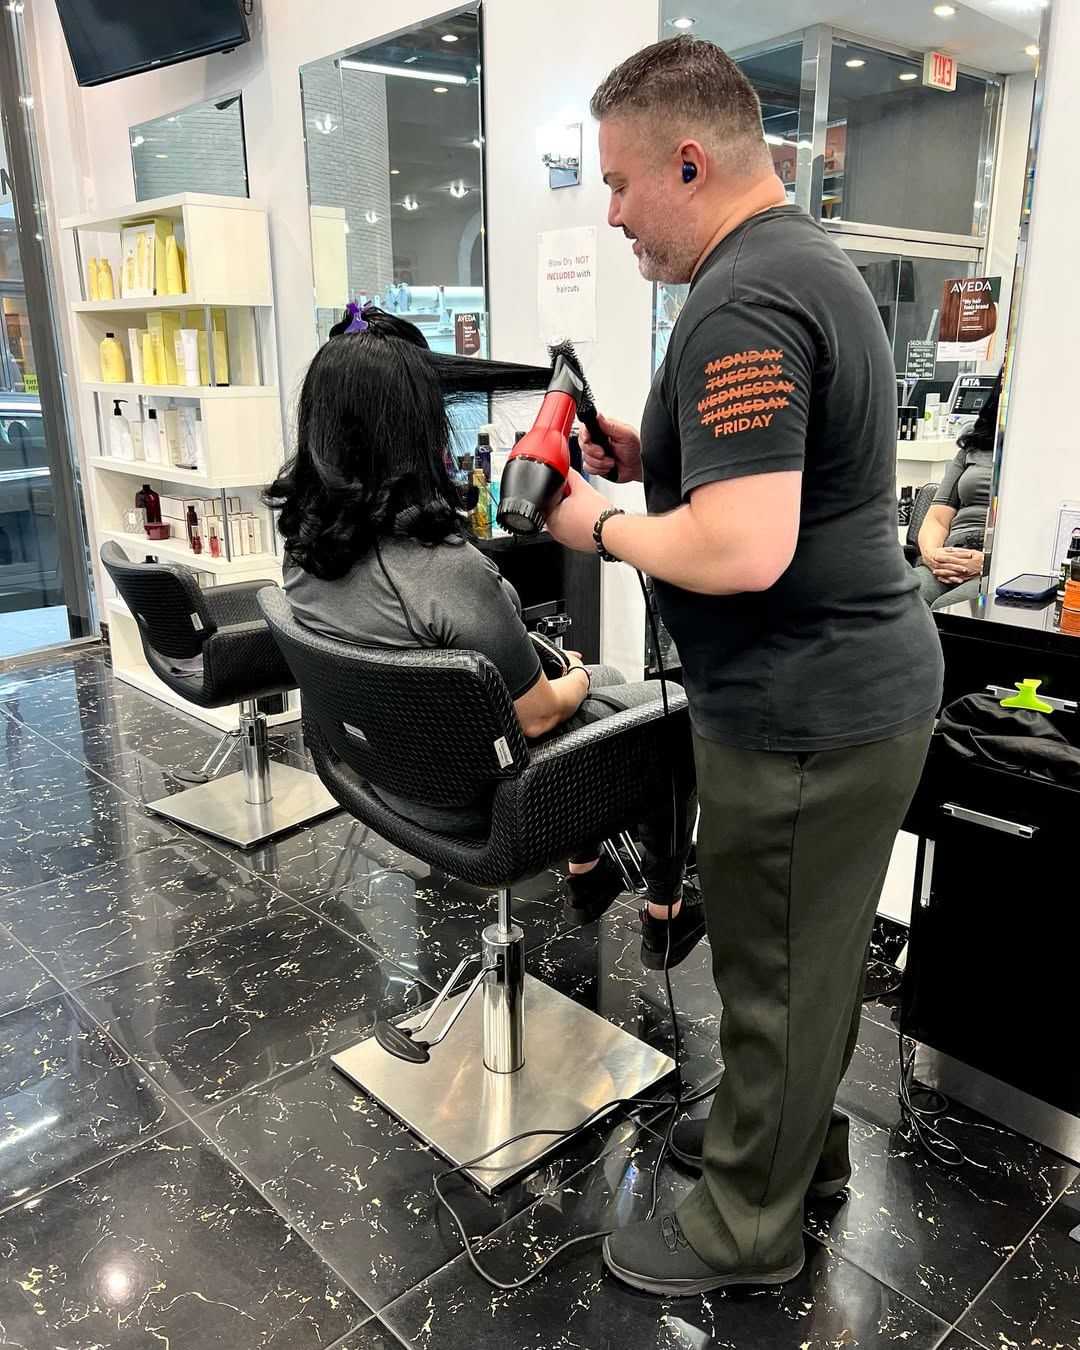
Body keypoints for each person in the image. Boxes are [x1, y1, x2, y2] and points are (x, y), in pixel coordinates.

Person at [542, 37, 944, 1297]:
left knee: (772, 971)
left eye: (617, 185)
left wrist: (590, 523)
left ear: (689, 159)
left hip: (809, 708)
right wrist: (635, 446)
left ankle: (745, 1231)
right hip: (839, 692)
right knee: (806, 956)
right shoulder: (796, 261)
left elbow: (744, 543)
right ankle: (792, 1154)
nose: (610, 215)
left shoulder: (742, 300)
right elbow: (769, 475)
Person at [268, 306, 698, 965]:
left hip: (380, 776)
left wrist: (571, 679)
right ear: (420, 430)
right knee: (673, 714)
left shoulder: (300, 557)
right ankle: (665, 912)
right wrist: (571, 678)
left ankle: (587, 874)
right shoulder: (449, 573)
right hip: (479, 807)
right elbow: (536, 716)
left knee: (606, 682)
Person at [912, 372, 1001, 611]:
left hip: (994, 564)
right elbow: (937, 518)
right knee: (903, 599)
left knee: (947, 609)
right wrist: (933, 556)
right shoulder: (976, 441)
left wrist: (989, 563)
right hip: (949, 556)